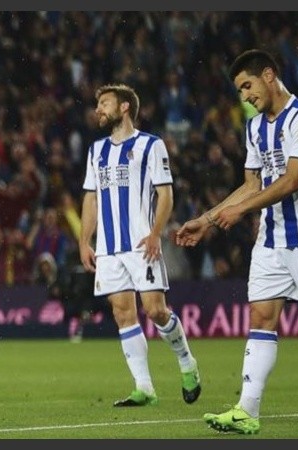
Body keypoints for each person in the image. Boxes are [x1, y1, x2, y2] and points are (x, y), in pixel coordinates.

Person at [176, 49, 298, 435]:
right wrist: (207, 219)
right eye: (240, 90)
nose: (244, 96)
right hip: (271, 240)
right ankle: (247, 410)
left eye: (247, 86)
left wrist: (242, 211)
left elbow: (292, 181)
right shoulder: (254, 128)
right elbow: (250, 185)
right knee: (261, 318)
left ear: (268, 74)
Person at [79, 83, 201, 408]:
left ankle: (187, 363)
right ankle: (144, 387)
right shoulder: (96, 151)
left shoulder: (151, 145)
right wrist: (84, 240)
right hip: (108, 248)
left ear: (124, 108)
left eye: (104, 103)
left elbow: (166, 194)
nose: (98, 110)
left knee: (156, 310)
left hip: (140, 243)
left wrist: (155, 233)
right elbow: (90, 198)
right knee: (123, 314)